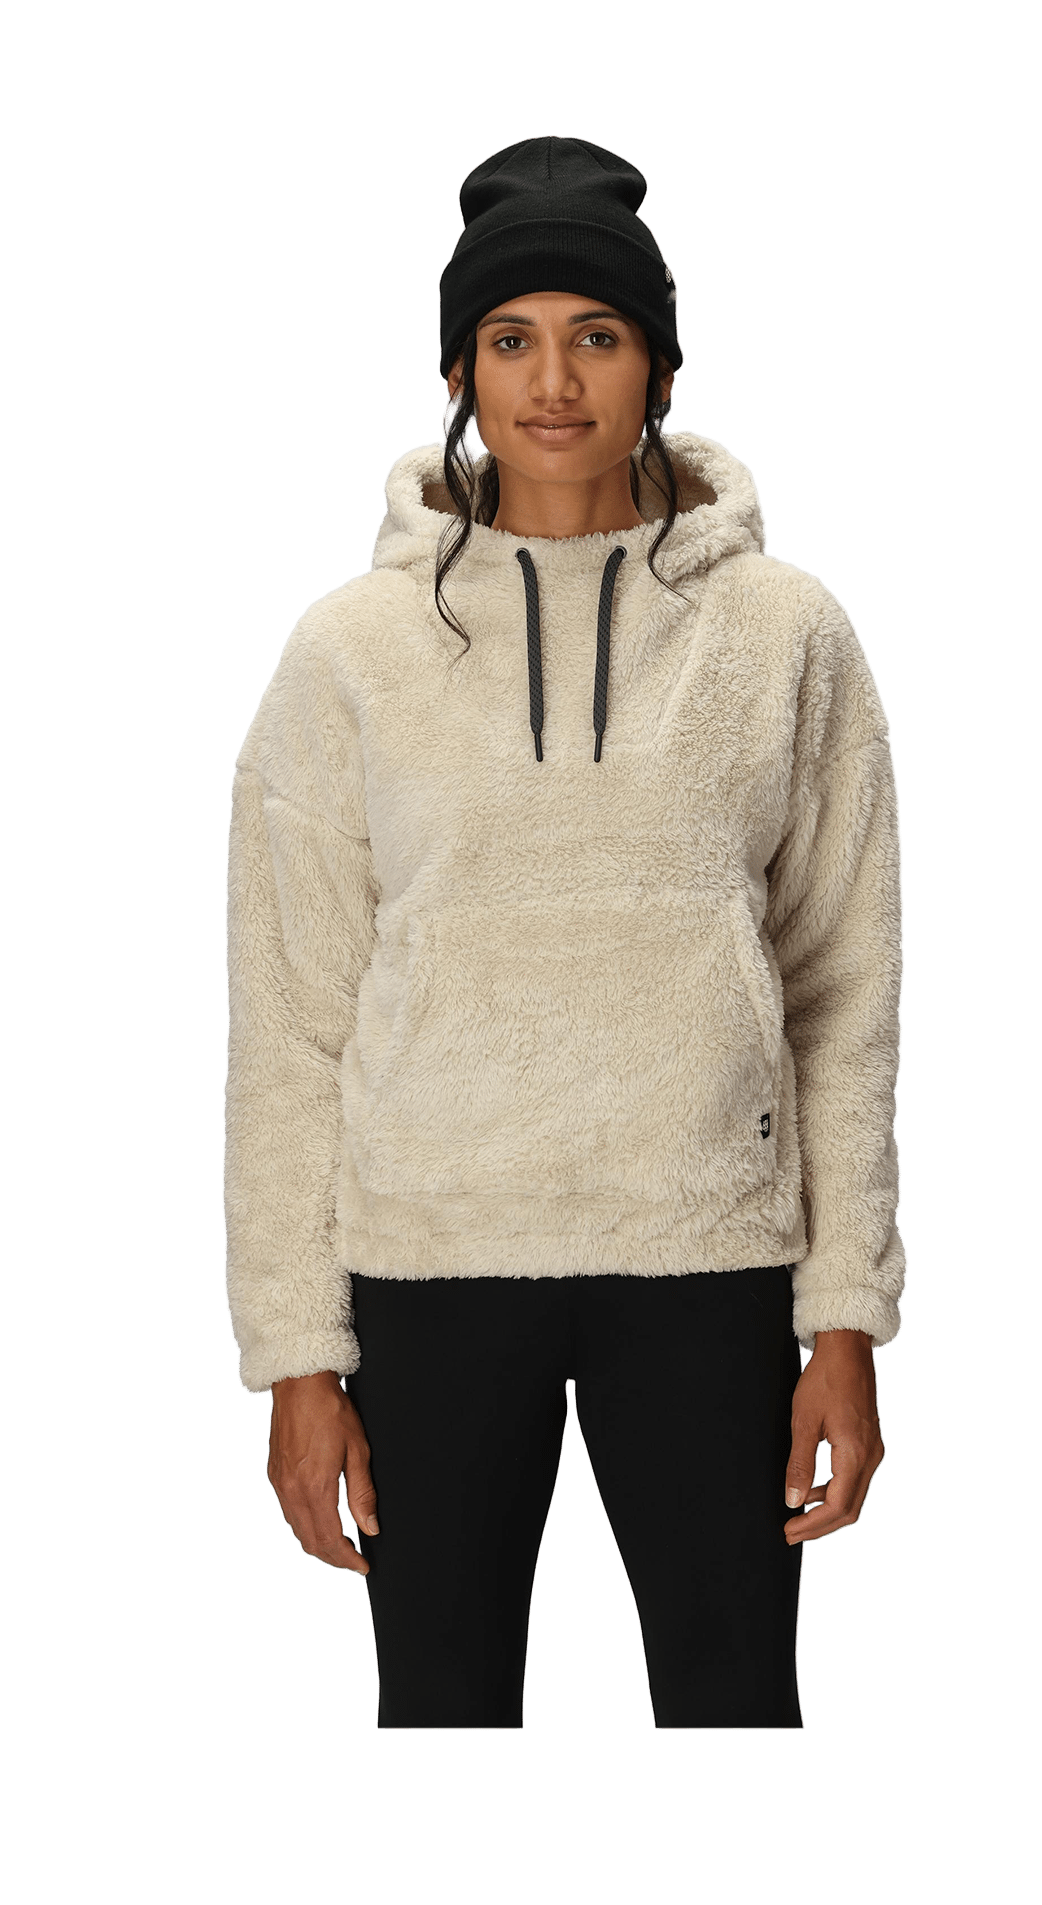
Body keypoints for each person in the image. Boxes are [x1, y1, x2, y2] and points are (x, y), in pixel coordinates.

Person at [222, 136, 907, 1730]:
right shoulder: (349, 650)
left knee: (735, 1708)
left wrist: (846, 1316)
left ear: (659, 364)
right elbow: (291, 1017)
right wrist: (298, 1354)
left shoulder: (786, 632)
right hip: (431, 1255)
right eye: (510, 339)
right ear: (457, 371)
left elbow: (847, 994)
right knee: (440, 1712)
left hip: (712, 1252)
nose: (553, 382)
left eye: (596, 336)